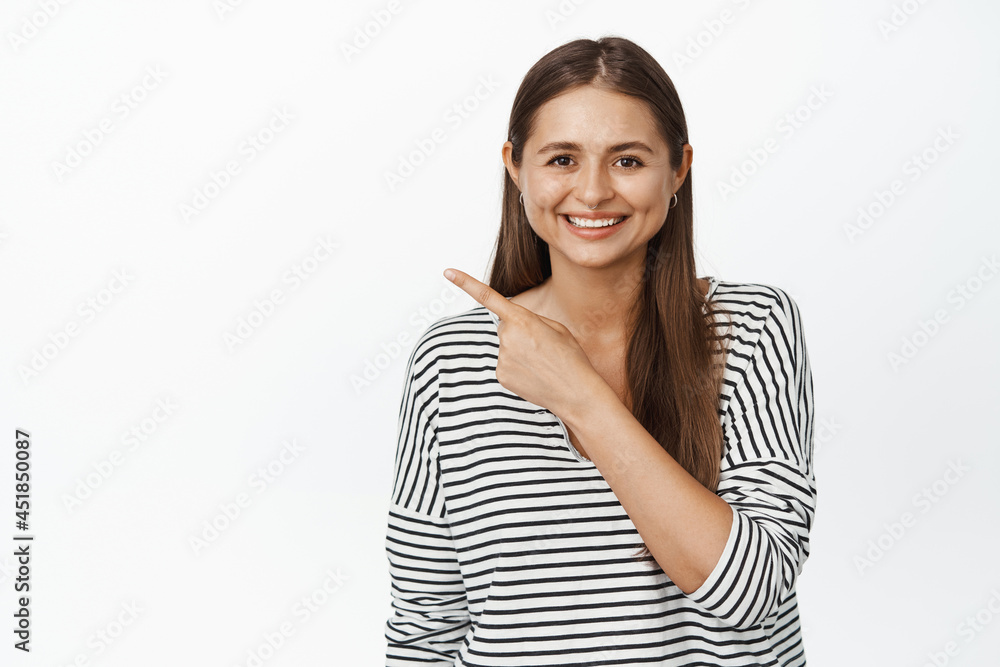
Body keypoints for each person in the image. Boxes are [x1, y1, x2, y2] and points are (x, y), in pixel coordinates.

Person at [385, 35, 816, 667]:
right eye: (561, 159)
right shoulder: (450, 358)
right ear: (515, 166)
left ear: (678, 169)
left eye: (628, 161)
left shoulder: (750, 327)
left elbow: (753, 594)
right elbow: (425, 626)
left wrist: (583, 397)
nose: (591, 193)